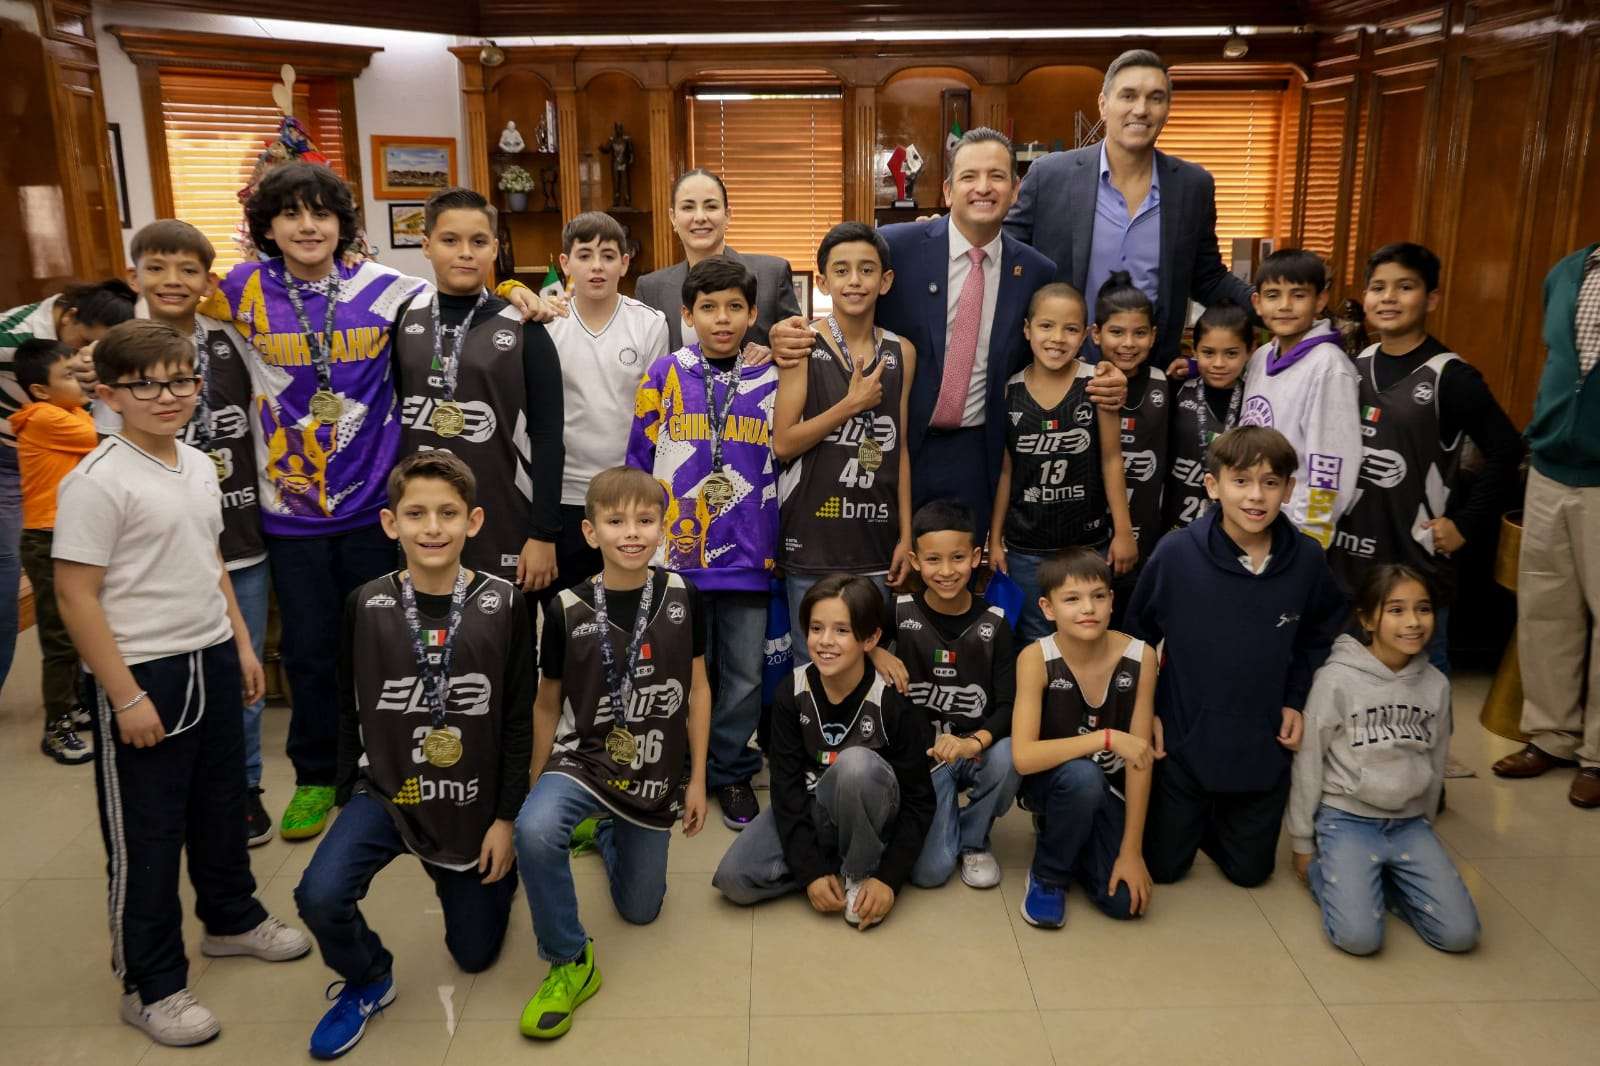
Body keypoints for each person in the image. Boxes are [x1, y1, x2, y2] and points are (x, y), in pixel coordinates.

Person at [201, 162, 547, 841]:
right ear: (267, 226)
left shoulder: (389, 290)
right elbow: (175, 293)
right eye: (291, 214)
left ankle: (380, 764)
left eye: (321, 214)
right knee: (308, 651)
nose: (307, 227)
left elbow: (461, 288)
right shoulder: (238, 290)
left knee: (387, 649)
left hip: (373, 509)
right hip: (291, 508)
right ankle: (314, 776)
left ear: (342, 225)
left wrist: (516, 289)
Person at [53, 320, 310, 1047]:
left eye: (181, 381)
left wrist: (241, 642)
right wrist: (126, 696)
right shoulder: (96, 481)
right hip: (144, 670)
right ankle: (151, 981)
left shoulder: (196, 463)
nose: (167, 397)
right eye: (146, 386)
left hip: (212, 654)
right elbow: (75, 595)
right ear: (109, 395)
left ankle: (231, 918)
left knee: (220, 804)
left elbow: (210, 558)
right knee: (149, 832)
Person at [769, 129, 1126, 532]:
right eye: (969, 176)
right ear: (948, 190)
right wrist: (782, 334)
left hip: (980, 449)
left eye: (996, 176)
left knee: (964, 564)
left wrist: (1100, 371)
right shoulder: (897, 246)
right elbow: (848, 299)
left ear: (1015, 189)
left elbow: (1052, 343)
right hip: (891, 446)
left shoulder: (1035, 271)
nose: (983, 188)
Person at [295, 452, 530, 1060]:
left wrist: (508, 821)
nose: (432, 528)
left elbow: (517, 723)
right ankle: (369, 977)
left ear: (473, 522)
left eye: (448, 513)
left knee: (474, 954)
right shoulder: (364, 604)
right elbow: (345, 705)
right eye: (416, 513)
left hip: (470, 801)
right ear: (390, 523)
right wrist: (345, 794)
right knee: (319, 894)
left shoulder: (506, 604)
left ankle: (495, 880)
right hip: (391, 791)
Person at [514, 466, 709, 1040]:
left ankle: (604, 831)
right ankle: (570, 958)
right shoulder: (565, 607)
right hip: (585, 760)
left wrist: (698, 780)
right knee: (535, 829)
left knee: (641, 910)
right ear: (590, 531)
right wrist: (536, 782)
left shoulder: (684, 595)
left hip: (653, 769)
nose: (631, 533)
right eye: (616, 521)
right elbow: (546, 704)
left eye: (645, 521)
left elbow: (698, 690)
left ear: (662, 527)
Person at [1126, 426, 1347, 887]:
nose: (1256, 496)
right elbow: (1136, 638)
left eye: (1271, 483)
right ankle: (1190, 811)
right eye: (1241, 481)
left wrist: (1295, 699)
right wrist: (1147, 712)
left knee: (1250, 874)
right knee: (1165, 869)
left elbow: (1318, 636)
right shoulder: (1176, 554)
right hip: (1184, 739)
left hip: (1260, 744)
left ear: (1289, 489)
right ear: (1213, 486)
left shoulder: (1307, 560)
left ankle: (1222, 815)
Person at [128, 218, 277, 844]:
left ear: (208, 280)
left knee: (243, 673)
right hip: (157, 550)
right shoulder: (120, 350)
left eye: (188, 269)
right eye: (157, 268)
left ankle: (243, 787)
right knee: (164, 674)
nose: (173, 280)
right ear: (134, 275)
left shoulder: (231, 338)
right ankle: (178, 789)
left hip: (239, 538)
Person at [627, 256, 777, 829]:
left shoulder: (770, 373)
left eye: (735, 307)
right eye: (708, 308)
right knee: (683, 671)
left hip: (750, 549)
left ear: (753, 314)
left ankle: (731, 770)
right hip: (677, 554)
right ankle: (681, 767)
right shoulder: (664, 373)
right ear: (686, 315)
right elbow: (639, 457)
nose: (722, 319)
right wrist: (638, 538)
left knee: (743, 674)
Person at [1327, 243, 1523, 675]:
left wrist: (1465, 525)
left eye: (1405, 287)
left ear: (1431, 298)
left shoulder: (1451, 376)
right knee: (1342, 682)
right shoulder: (1353, 364)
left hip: (1413, 564)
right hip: (1347, 561)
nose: (1389, 297)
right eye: (1378, 287)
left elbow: (1508, 449)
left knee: (1419, 688)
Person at [1003, 49, 1254, 366]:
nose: (1141, 109)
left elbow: (1208, 278)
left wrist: (1270, 304)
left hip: (1151, 377)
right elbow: (1003, 259)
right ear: (1103, 104)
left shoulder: (1193, 186)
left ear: (1167, 109)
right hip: (1061, 371)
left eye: (1155, 98)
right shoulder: (1050, 176)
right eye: (1128, 96)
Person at [712, 574, 936, 930]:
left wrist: (888, 879)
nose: (825, 641)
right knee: (734, 880)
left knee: (855, 764)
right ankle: (833, 867)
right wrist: (812, 872)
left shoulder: (890, 700)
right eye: (816, 628)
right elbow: (786, 789)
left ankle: (861, 871)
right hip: (816, 805)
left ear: (870, 639)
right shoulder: (792, 691)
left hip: (875, 808)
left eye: (842, 631)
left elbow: (920, 800)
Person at [1287, 564, 1479, 957]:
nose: (1413, 622)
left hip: (1409, 824)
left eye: (1423, 609)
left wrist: (1427, 821)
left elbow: (1436, 760)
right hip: (1347, 820)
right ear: (1367, 619)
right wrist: (1302, 840)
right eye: (1396, 610)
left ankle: (1379, 881)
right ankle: (1332, 873)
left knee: (1460, 935)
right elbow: (1309, 760)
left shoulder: (1436, 685)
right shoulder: (1336, 679)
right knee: (1359, 939)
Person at [393, 187, 564, 617]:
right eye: (450, 240)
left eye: (479, 241)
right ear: (426, 245)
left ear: (495, 248)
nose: (465, 252)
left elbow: (548, 436)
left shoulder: (525, 326)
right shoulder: (402, 319)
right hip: (421, 521)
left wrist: (544, 533)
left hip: (504, 517)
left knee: (505, 646)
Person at [775, 221, 915, 658]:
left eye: (866, 269)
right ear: (823, 281)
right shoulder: (802, 344)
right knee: (812, 663)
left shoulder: (902, 351)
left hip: (875, 537)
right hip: (812, 538)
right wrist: (850, 405)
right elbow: (783, 443)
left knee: (871, 660)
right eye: (841, 270)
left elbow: (900, 450)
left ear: (885, 281)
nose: (854, 280)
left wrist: (906, 536)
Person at [1494, 240, 1600, 807]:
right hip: (1551, 466)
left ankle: (1598, 756)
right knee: (1545, 607)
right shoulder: (1567, 272)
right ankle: (1552, 735)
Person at [0, 280, 135, 697]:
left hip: (52, 465)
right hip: (7, 462)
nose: (86, 359)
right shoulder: (13, 336)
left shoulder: (75, 381)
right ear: (70, 317)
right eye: (84, 344)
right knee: (7, 573)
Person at [1011, 548, 1157, 928]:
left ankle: (1072, 838)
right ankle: (1048, 875)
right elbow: (1023, 757)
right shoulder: (1035, 657)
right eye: (1072, 599)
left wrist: (1131, 851)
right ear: (1047, 608)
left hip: (1110, 790)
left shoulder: (1141, 657)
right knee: (1082, 778)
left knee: (1125, 904)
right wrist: (1105, 738)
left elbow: (1140, 759)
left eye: (1098, 596)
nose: (1088, 608)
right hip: (1052, 783)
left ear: (1112, 601)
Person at [991, 282, 1135, 640]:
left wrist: (1123, 531)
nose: (1057, 338)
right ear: (1027, 329)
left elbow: (1112, 459)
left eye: (1070, 329)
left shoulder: (1097, 385)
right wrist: (994, 539)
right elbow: (1005, 470)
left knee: (1088, 632)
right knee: (1035, 639)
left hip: (1087, 543)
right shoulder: (1010, 391)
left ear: (1085, 335)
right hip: (1026, 546)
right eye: (1046, 326)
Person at [888, 499, 1020, 889]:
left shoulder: (995, 623)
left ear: (976, 557)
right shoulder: (898, 611)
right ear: (915, 561)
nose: (946, 571)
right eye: (933, 560)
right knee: (928, 874)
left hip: (975, 748)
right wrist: (876, 651)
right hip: (926, 757)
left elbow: (1009, 705)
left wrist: (972, 743)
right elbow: (862, 641)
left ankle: (975, 839)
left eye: (958, 558)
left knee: (1010, 756)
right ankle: (943, 819)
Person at [543, 210, 669, 605]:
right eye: (585, 255)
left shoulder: (650, 324)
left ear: (625, 263)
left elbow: (656, 417)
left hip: (628, 493)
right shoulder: (546, 323)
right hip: (565, 494)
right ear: (565, 263)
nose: (597, 266)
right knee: (571, 611)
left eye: (608, 256)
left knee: (629, 608)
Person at [1237, 248, 1362, 551]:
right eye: (1273, 295)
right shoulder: (1262, 356)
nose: (1285, 305)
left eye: (1298, 295)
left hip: (1294, 532)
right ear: (1257, 303)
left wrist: (1310, 539)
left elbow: (1330, 465)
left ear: (1320, 300)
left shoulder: (1329, 367)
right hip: (1254, 517)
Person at [11, 339, 96, 764]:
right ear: (41, 391)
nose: (80, 382)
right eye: (69, 375)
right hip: (47, 539)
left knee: (77, 628)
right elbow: (101, 437)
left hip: (67, 535)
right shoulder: (46, 417)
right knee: (59, 636)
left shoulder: (69, 410)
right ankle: (56, 727)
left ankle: (75, 704)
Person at [634, 168, 802, 351]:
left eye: (711, 206)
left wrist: (773, 354)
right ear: (673, 218)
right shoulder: (651, 289)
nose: (700, 217)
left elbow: (801, 347)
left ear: (727, 216)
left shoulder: (772, 275)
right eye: (688, 207)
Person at [1094, 272, 1170, 625]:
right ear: (1096, 334)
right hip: (1093, 535)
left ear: (1153, 335)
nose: (1128, 343)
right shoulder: (1088, 381)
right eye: (1116, 332)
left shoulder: (1164, 384)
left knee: (1135, 624)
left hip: (1147, 533)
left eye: (1139, 333)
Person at [1163, 302, 1252, 533]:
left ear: (1249, 351)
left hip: (1235, 524)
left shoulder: (1255, 398)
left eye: (1231, 353)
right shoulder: (1176, 389)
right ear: (1194, 351)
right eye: (1208, 353)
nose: (1219, 364)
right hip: (1175, 523)